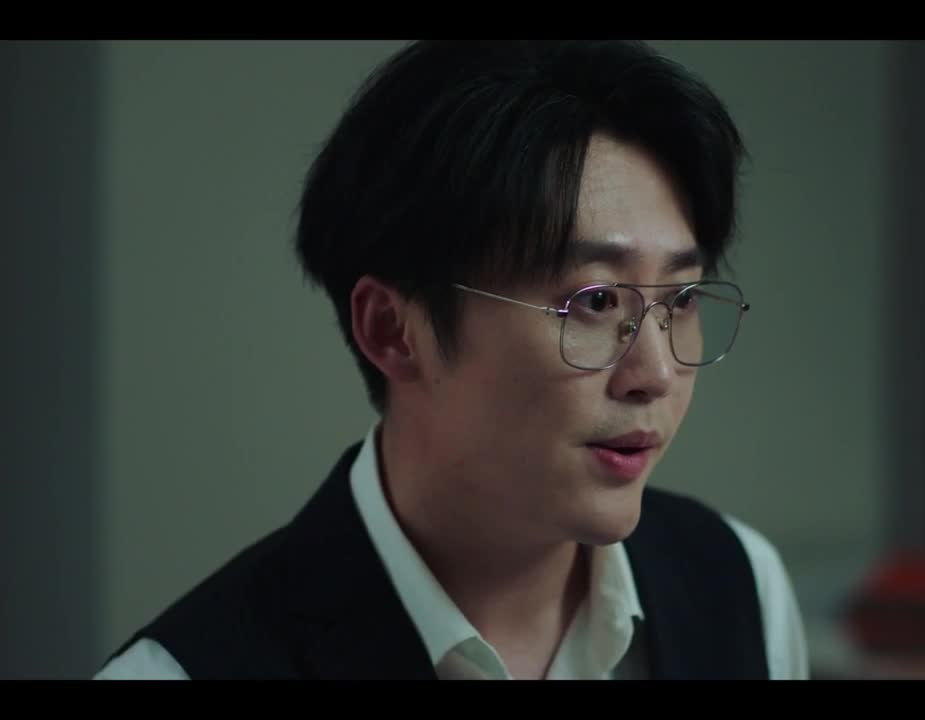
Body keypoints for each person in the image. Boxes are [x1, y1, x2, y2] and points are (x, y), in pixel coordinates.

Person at [94, 40, 808, 680]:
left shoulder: (740, 586)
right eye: (594, 301)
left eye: (681, 298)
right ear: (391, 330)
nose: (655, 374)